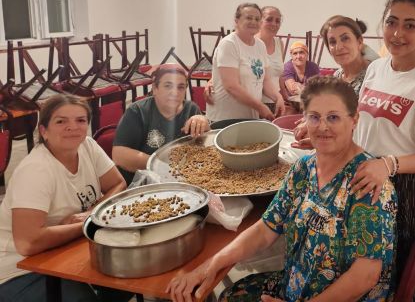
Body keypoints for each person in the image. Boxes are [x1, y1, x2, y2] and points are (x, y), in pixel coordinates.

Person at [167, 77, 397, 302]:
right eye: (314, 117)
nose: (323, 127)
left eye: (333, 117)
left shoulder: (367, 182)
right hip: (294, 286)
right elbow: (265, 229)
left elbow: (365, 276)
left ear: (354, 120)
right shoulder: (303, 169)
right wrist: (210, 265)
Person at [350, 0, 415, 301]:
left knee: (401, 280)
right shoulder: (376, 68)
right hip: (368, 180)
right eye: (391, 22)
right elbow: (362, 122)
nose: (397, 33)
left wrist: (388, 164)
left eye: (409, 25)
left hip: (409, 192)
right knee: (365, 273)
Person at [0, 94, 128, 302]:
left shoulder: (87, 146)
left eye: (80, 120)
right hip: (19, 270)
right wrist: (88, 223)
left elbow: (117, 184)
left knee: (125, 280)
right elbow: (27, 243)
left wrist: (90, 213)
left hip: (65, 248)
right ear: (44, 131)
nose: (73, 127)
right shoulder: (36, 170)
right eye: (61, 121)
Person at [112, 64, 210, 184]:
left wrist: (204, 124)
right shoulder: (137, 112)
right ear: (155, 88)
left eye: (181, 87)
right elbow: (119, 155)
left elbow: (202, 149)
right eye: (168, 86)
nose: (175, 92)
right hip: (144, 184)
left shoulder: (191, 110)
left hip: (181, 181)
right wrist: (160, 166)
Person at [207, 3, 285, 123]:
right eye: (249, 18)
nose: (253, 22)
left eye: (257, 19)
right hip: (226, 118)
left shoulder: (260, 45)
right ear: (236, 21)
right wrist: (260, 107)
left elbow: (265, 80)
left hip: (249, 116)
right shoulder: (229, 44)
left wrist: (278, 97)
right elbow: (231, 86)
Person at [319, 16, 377, 94]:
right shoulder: (336, 77)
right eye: (332, 42)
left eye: (345, 38)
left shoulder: (374, 76)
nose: (339, 47)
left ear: (359, 42)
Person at [257, 6, 286, 112]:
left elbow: (279, 75)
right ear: (260, 21)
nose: (274, 24)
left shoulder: (279, 43)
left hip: (275, 102)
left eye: (277, 21)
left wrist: (285, 97)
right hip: (257, 103)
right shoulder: (252, 43)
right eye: (269, 19)